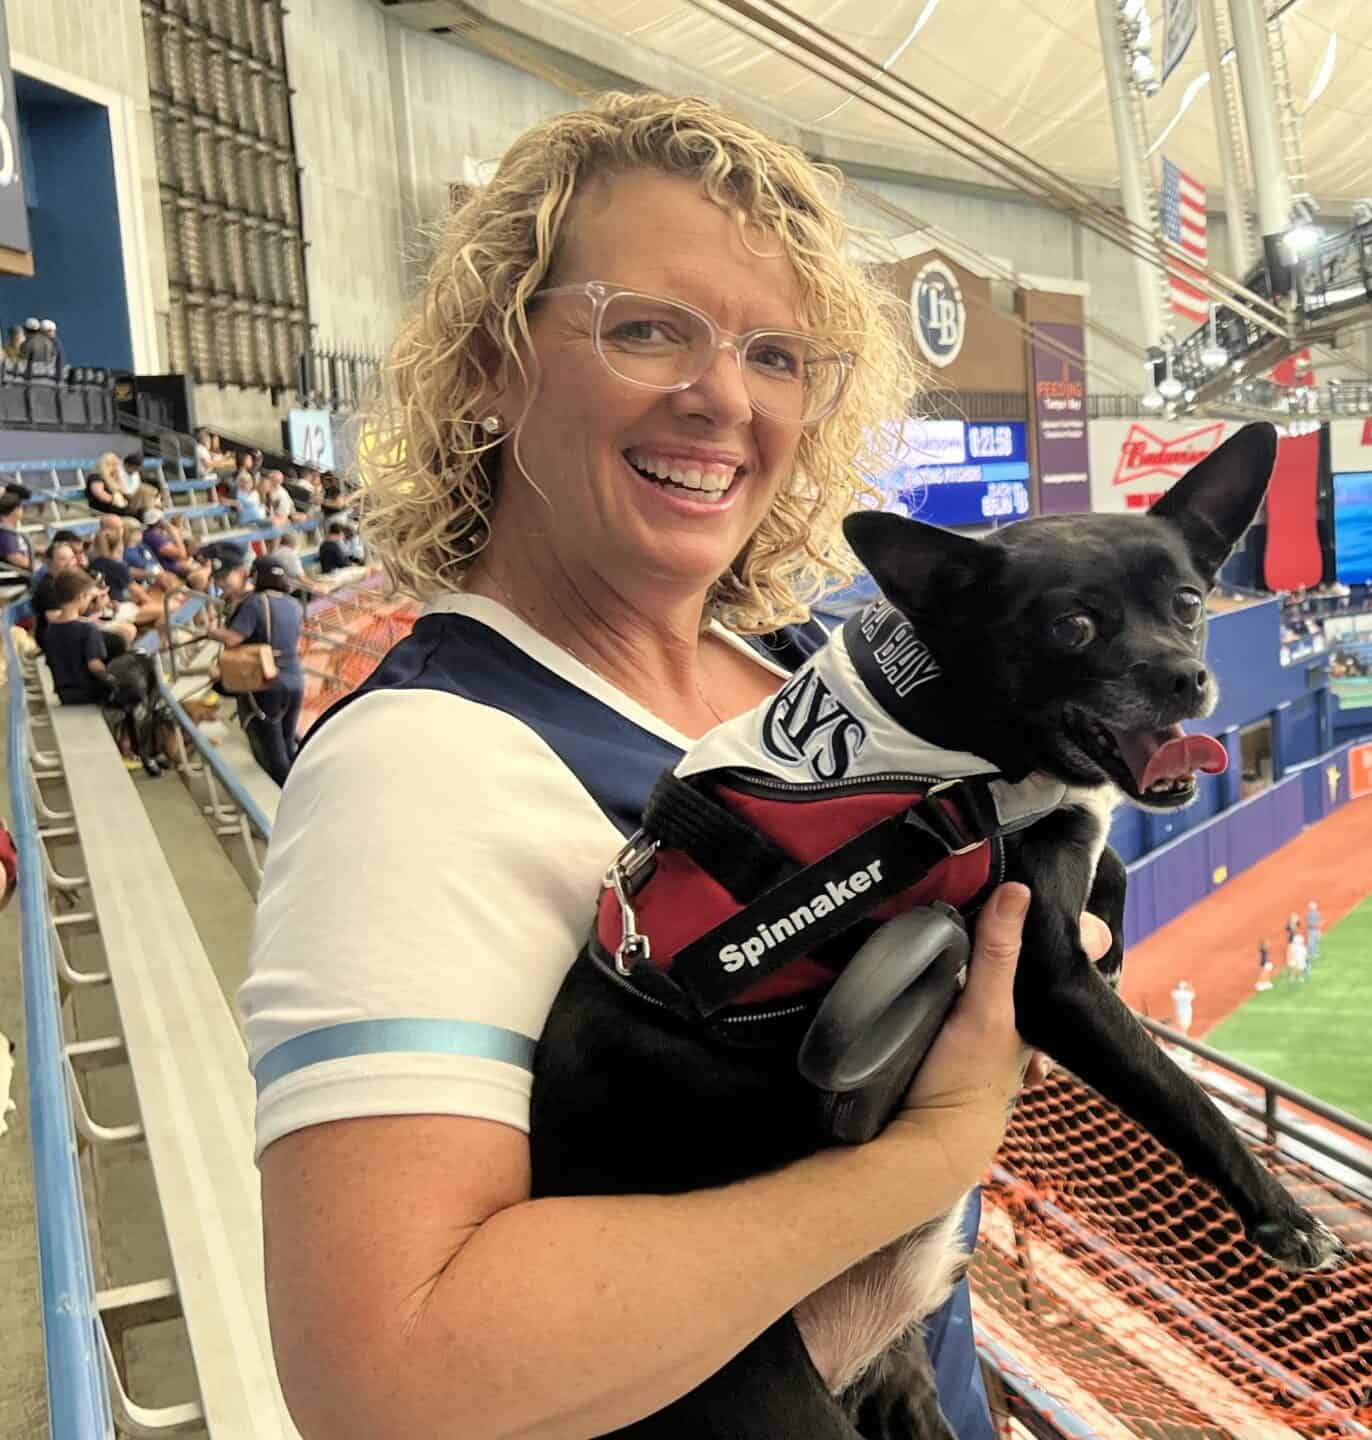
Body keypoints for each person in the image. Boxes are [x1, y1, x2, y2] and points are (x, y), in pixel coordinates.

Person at [237, 93, 1098, 1440]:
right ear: (489, 362)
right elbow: (388, 1378)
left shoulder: (805, 678)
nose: (723, 397)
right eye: (646, 328)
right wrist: (939, 1148)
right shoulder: (418, 770)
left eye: (777, 353)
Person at [214, 554, 306, 785]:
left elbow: (235, 638)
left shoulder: (255, 602)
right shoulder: (293, 603)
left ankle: (287, 798)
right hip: (294, 678)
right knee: (287, 742)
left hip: (266, 682)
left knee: (273, 753)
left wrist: (211, 631)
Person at [35, 570, 113, 704]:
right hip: (89, 693)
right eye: (89, 597)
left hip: (64, 695)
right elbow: (94, 665)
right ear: (82, 596)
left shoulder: (50, 629)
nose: (90, 601)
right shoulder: (88, 629)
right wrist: (112, 678)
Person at [0, 484, 33, 592]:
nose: (23, 510)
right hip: (9, 574)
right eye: (21, 507)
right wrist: (38, 566)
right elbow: (14, 558)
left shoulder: (9, 526)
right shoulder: (5, 530)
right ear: (15, 510)